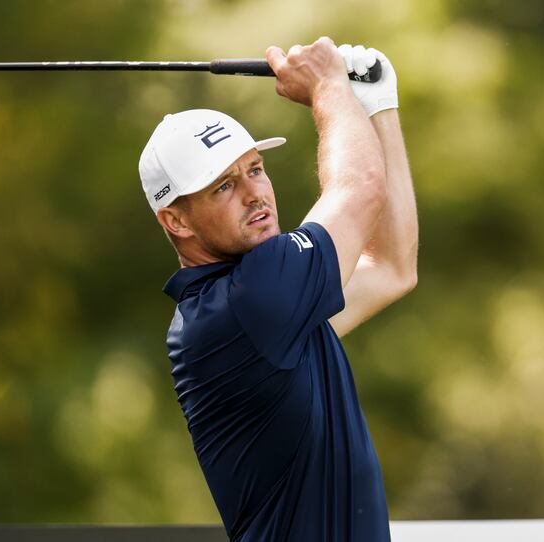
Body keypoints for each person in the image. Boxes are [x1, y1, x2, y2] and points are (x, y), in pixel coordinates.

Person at [139, 38, 417, 541]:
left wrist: (377, 105)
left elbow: (393, 266)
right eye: (223, 186)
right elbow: (360, 187)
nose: (255, 194)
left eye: (255, 169)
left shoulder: (268, 307)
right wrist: (328, 85)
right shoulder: (251, 302)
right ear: (175, 219)